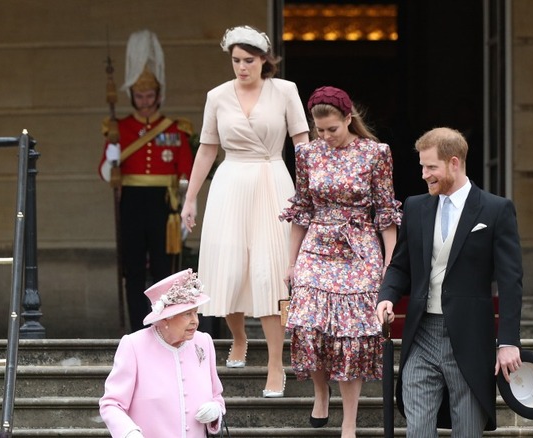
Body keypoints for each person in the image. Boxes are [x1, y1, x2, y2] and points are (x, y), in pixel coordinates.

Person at [180, 25, 309, 397]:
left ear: (265, 60)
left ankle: (275, 364)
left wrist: (310, 192)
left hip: (272, 179)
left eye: (248, 60)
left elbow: (302, 143)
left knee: (270, 273)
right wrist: (191, 198)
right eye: (235, 60)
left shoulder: (285, 91)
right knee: (230, 268)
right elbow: (207, 148)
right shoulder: (217, 96)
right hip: (231, 182)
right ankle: (238, 338)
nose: (241, 67)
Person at [376, 127, 522, 437]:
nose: (424, 174)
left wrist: (508, 341)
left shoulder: (496, 210)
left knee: (467, 431)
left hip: (469, 339)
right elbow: (401, 265)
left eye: (431, 167)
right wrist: (386, 296)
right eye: (422, 167)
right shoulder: (415, 207)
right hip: (421, 335)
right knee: (417, 430)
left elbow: (511, 282)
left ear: (453, 163)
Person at [280, 86, 401, 437]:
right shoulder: (306, 154)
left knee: (353, 337)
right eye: (320, 130)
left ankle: (349, 421)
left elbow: (386, 210)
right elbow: (302, 210)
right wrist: (291, 263)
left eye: (332, 128)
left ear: (349, 119)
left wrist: (389, 261)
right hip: (316, 244)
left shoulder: (376, 153)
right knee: (307, 325)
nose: (326, 136)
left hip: (360, 246)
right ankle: (321, 393)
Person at [98, 29, 194, 333]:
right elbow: (104, 172)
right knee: (134, 268)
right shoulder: (119, 127)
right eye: (139, 96)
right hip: (132, 202)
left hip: (164, 204)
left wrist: (184, 211)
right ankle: (139, 327)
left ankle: (168, 323)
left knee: (167, 269)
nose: (144, 101)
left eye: (149, 95)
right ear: (131, 96)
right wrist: (112, 156)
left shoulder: (175, 129)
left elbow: (186, 173)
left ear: (158, 95)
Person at [99, 268, 225, 437]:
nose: (195, 321)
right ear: (165, 318)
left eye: (196, 312)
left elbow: (217, 396)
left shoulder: (204, 342)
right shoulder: (134, 346)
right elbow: (111, 404)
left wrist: (216, 410)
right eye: (187, 314)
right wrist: (129, 432)